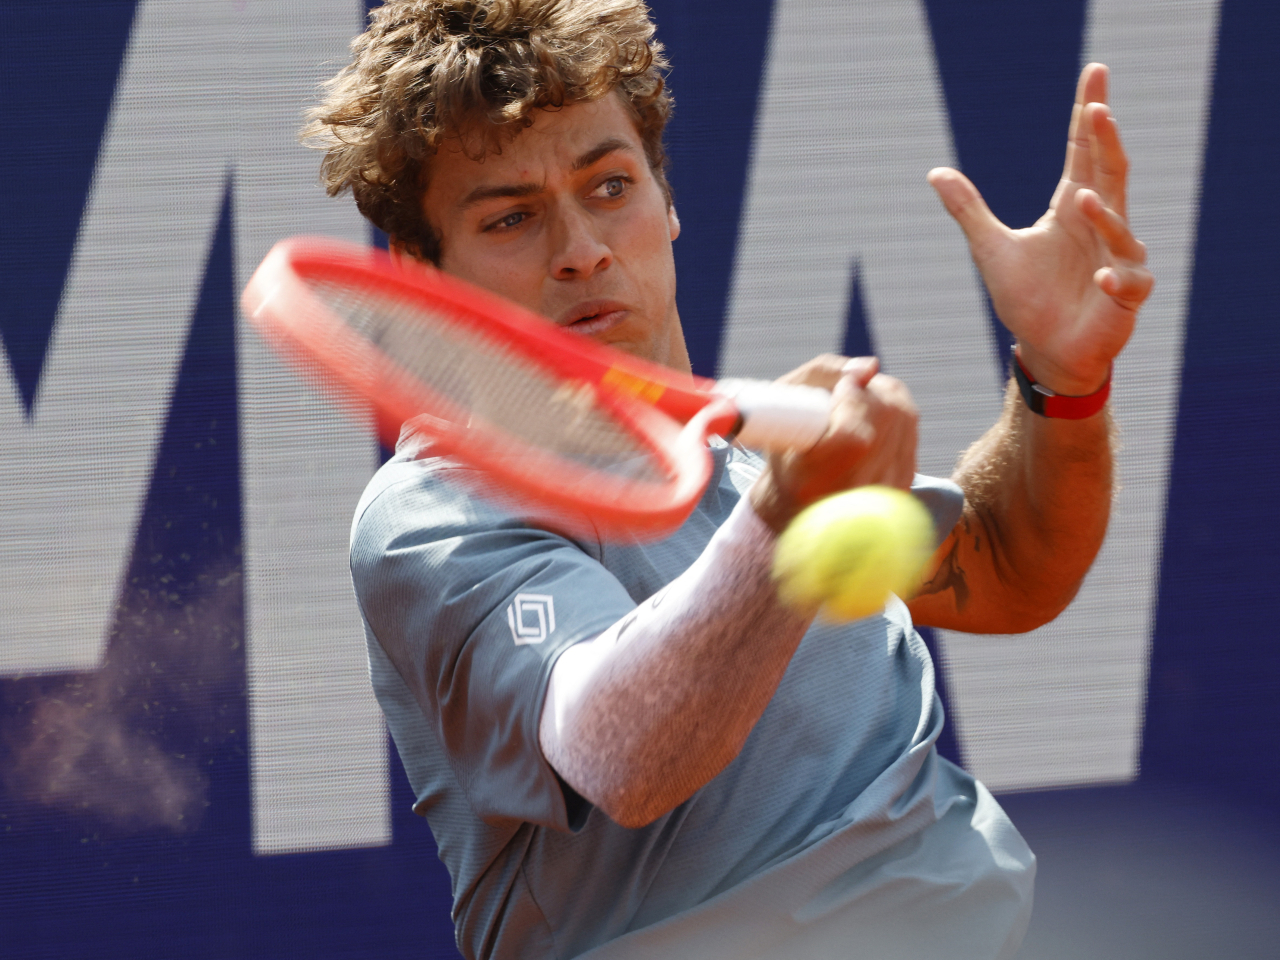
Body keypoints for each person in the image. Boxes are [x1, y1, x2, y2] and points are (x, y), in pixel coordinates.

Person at [307, 2, 1152, 957]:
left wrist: (1061, 380)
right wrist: (782, 523)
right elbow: (618, 757)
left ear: (666, 201)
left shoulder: (752, 460)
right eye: (512, 217)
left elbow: (1008, 564)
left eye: (610, 186)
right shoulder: (433, 515)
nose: (581, 247)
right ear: (425, 271)